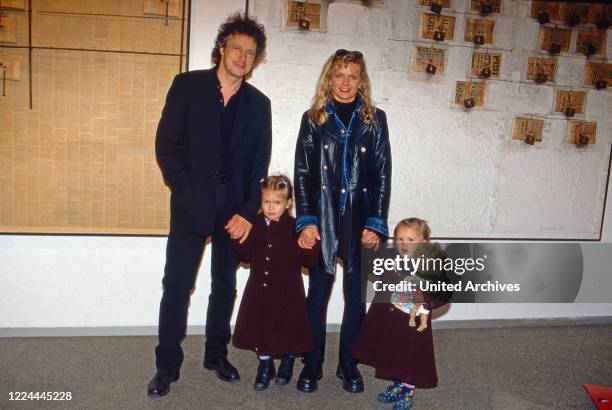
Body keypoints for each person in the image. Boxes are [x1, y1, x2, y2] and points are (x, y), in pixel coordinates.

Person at [147, 13, 271, 397]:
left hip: (234, 212)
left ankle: (216, 355)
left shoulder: (259, 104)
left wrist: (248, 213)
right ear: (222, 47)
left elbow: (258, 166)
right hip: (190, 204)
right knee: (177, 287)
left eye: (251, 52)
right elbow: (167, 145)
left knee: (224, 287)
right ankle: (167, 366)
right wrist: (185, 190)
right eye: (237, 48)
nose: (242, 56)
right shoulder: (187, 86)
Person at [293, 49, 392, 393]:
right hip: (323, 220)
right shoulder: (313, 118)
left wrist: (376, 221)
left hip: (360, 219)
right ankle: (312, 364)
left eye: (353, 75)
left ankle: (348, 365)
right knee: (316, 297)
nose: (346, 83)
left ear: (361, 80)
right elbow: (303, 173)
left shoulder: (375, 120)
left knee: (355, 298)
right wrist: (306, 220)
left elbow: (381, 174)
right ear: (329, 78)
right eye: (340, 75)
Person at [351, 218, 453, 410]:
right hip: (389, 318)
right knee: (394, 351)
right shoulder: (390, 257)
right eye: (399, 239)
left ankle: (408, 389)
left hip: (413, 322)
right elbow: (373, 266)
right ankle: (398, 382)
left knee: (411, 354)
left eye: (410, 240)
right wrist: (369, 248)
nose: (404, 244)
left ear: (423, 242)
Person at [231, 175, 320, 391]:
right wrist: (238, 238)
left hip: (288, 290)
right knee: (261, 329)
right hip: (260, 289)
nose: (271, 207)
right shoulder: (255, 224)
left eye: (277, 202)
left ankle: (288, 362)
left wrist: (309, 244)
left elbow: (308, 261)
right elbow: (247, 257)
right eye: (266, 202)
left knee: (288, 328)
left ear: (288, 203)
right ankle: (265, 364)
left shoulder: (296, 226)